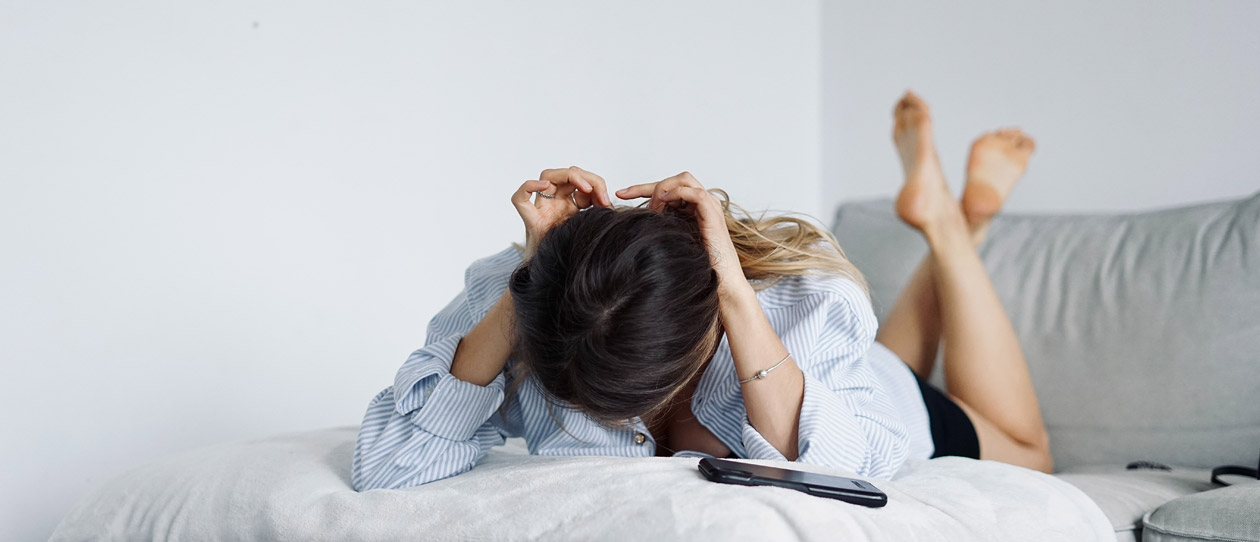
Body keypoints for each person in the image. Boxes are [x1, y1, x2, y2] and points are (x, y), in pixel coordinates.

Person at [351, 92, 1052, 492]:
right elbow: (388, 464)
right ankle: (950, 217)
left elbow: (847, 472)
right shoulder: (519, 301)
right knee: (893, 344)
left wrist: (738, 294)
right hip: (828, 363)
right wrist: (528, 279)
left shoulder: (804, 302)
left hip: (868, 389)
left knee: (1030, 450)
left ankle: (956, 227)